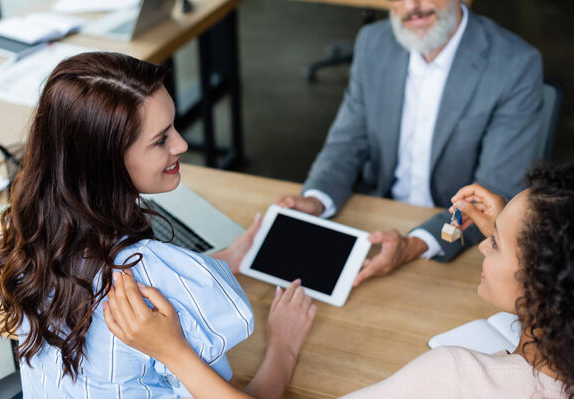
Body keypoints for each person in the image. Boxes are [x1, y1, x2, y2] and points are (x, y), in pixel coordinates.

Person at [0, 52, 316, 398]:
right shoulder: (151, 279)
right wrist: (284, 345)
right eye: (160, 140)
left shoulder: (30, 233)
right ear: (105, 164)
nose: (182, 144)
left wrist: (227, 258)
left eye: (173, 126)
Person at [103, 161, 574, 398]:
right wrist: (511, 234)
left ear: (541, 282)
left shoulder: (457, 376)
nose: (483, 243)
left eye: (494, 244)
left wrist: (173, 352)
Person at [278, 0, 543, 286]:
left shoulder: (514, 63)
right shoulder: (373, 43)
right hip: (377, 220)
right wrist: (316, 199)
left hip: (457, 245)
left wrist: (417, 243)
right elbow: (346, 144)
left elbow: (493, 194)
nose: (411, 6)